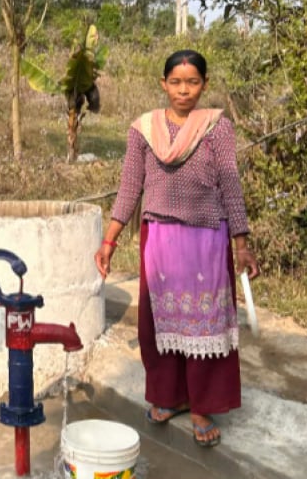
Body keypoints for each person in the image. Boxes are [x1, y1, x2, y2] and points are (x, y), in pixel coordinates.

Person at [94, 50, 260, 448]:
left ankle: (202, 405)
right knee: (161, 326)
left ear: (204, 84)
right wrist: (109, 240)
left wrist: (242, 243)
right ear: (163, 83)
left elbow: (230, 186)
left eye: (193, 82)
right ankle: (170, 397)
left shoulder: (217, 128)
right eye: (176, 82)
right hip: (161, 240)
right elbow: (131, 186)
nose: (184, 90)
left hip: (207, 238)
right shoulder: (144, 130)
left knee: (206, 325)